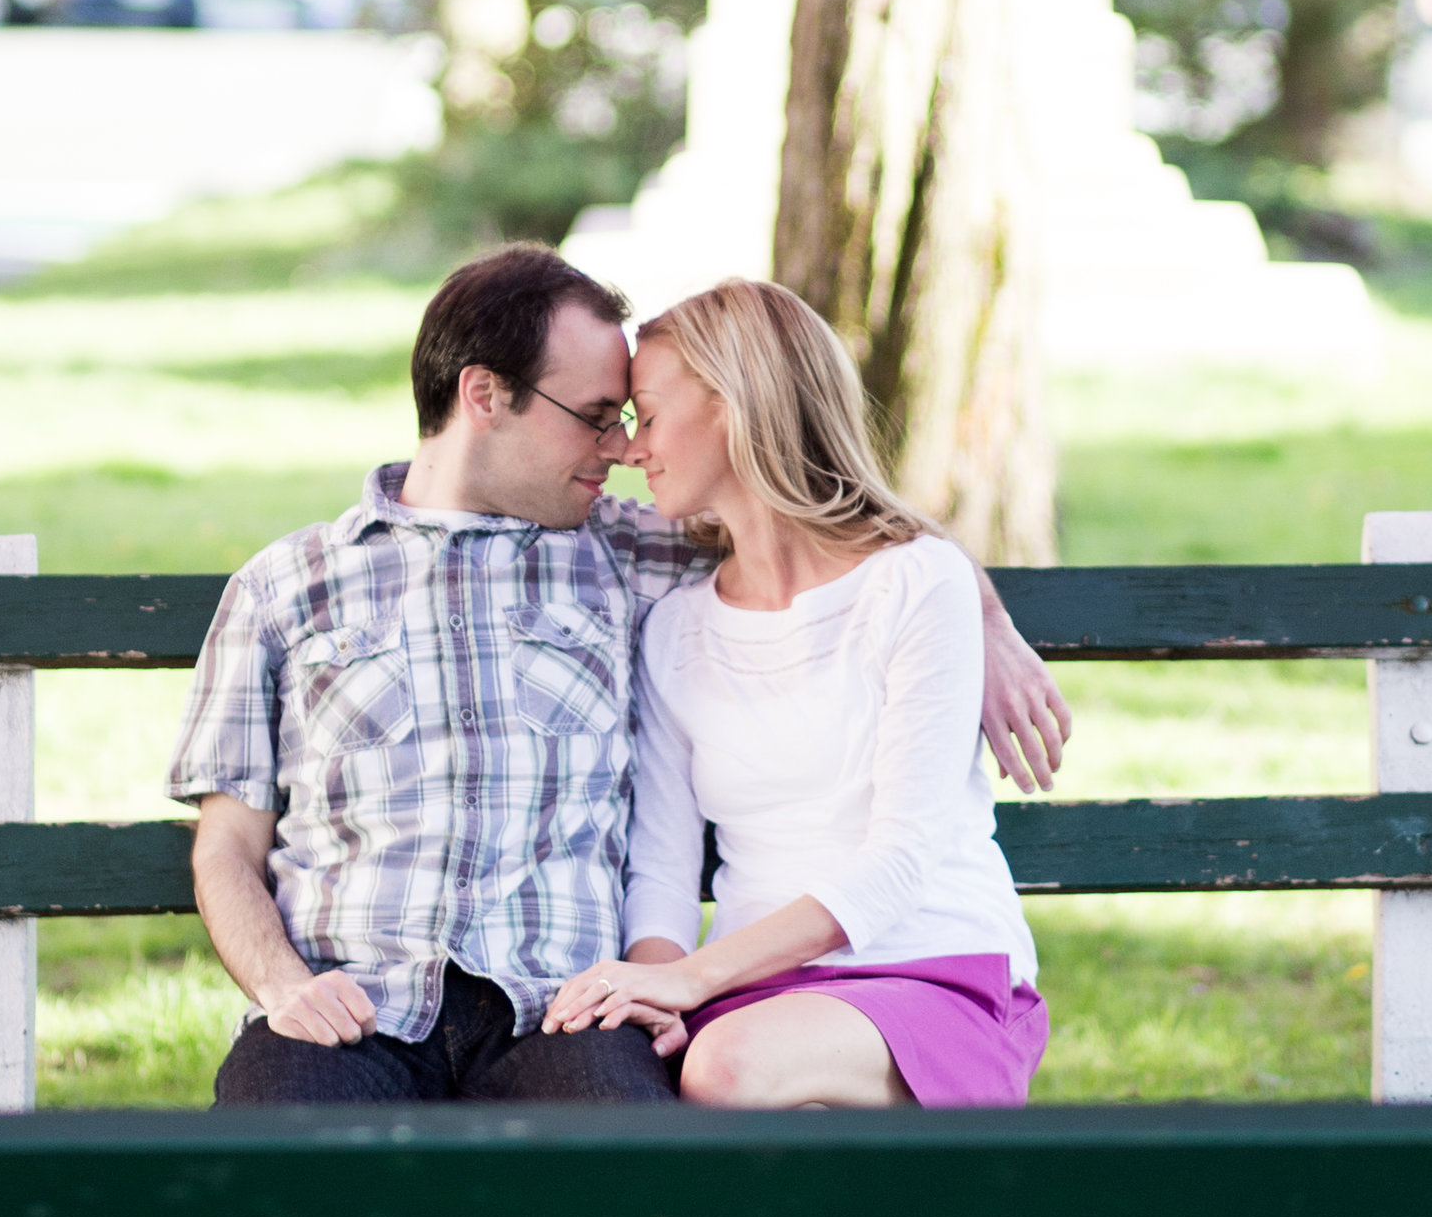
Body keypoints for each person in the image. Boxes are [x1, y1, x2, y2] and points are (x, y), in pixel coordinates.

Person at [168, 242, 1072, 1107]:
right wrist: (285, 987)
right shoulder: (284, 587)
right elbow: (226, 847)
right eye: (598, 416)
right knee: (260, 1184)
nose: (621, 449)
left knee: (642, 1183)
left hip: (555, 1009)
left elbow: (825, 522)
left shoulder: (629, 555)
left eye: (630, 417)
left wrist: (982, 611)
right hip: (352, 1001)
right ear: (483, 393)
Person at [542, 278, 1048, 1110]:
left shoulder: (913, 583)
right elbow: (663, 867)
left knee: (727, 1069)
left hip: (931, 965)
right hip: (756, 995)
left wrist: (693, 982)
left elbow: (900, 859)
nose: (631, 450)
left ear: (737, 405)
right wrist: (658, 990)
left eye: (650, 413)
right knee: (735, 1084)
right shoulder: (676, 630)